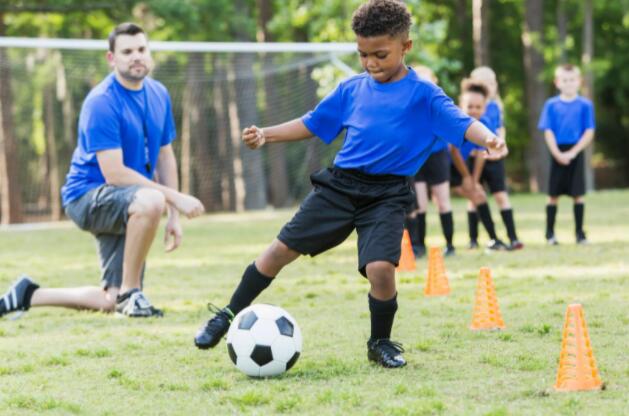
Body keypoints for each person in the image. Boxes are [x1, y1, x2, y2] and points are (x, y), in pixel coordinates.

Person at [193, 0, 505, 368]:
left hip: (388, 194)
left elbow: (462, 123)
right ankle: (227, 315)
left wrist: (489, 140)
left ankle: (380, 343)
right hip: (339, 188)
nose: (371, 63)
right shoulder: (351, 89)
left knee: (381, 270)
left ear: (406, 46)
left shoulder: (424, 95)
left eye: (380, 54)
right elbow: (312, 122)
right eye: (363, 54)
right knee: (276, 253)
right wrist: (266, 134)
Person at [0, 23, 205, 319]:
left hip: (127, 200)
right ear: (112, 58)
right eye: (127, 51)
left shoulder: (159, 93)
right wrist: (175, 197)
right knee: (151, 200)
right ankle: (132, 294)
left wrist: (174, 216)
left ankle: (27, 294)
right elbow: (115, 174)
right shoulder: (102, 102)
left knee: (110, 298)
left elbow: (164, 155)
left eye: (141, 49)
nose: (136, 56)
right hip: (87, 196)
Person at [538, 64, 595, 245]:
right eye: (564, 80)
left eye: (572, 80)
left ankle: (579, 233)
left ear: (579, 82)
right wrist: (557, 153)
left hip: (576, 151)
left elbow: (589, 131)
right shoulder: (551, 105)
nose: (568, 83)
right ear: (557, 82)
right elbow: (547, 131)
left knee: (578, 194)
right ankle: (550, 234)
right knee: (553, 195)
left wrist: (574, 152)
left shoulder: (586, 105)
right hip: (557, 151)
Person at [449, 79, 509, 251]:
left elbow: (482, 155)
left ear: (484, 107)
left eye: (478, 107)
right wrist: (467, 178)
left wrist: (474, 181)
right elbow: (454, 153)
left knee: (479, 195)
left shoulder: (485, 124)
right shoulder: (455, 121)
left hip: (465, 166)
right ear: (461, 104)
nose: (474, 110)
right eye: (470, 106)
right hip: (449, 165)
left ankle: (493, 239)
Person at [468, 66, 523, 250]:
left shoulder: (496, 107)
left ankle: (513, 237)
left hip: (494, 159)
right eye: (484, 83)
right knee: (475, 197)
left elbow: (500, 129)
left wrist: (502, 147)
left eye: (491, 83)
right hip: (476, 157)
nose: (489, 87)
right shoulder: (471, 106)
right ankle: (473, 239)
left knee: (501, 196)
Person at [406, 65, 455, 257]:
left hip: (437, 156)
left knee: (443, 202)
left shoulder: (439, 103)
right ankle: (418, 245)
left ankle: (450, 245)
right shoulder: (408, 106)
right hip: (417, 158)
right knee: (420, 204)